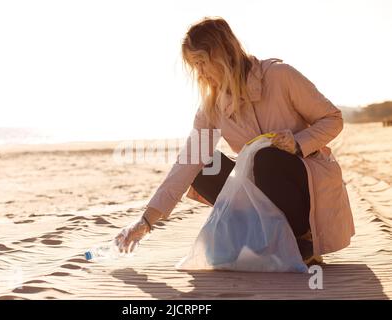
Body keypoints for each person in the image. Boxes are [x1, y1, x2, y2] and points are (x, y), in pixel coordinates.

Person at [114, 17, 355, 265]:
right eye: (194, 66)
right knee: (205, 165)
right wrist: (145, 222)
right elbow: (185, 165)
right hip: (260, 188)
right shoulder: (211, 107)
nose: (200, 73)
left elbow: (332, 119)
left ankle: (302, 237)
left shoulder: (280, 76)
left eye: (202, 63)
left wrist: (298, 142)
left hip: (304, 184)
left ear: (222, 53)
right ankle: (260, 235)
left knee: (267, 158)